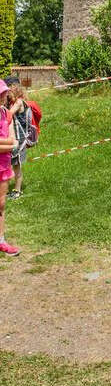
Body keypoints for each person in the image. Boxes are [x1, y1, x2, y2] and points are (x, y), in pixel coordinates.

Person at [0, 80, 20, 256]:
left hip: (3, 165)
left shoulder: (6, 114)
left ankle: (1, 241)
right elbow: (11, 143)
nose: (3, 95)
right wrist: (9, 143)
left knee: (1, 204)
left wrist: (7, 143)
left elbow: (14, 142)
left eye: (3, 92)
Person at [7, 84, 33, 199]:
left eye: (8, 93)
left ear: (15, 92)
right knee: (13, 165)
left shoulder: (18, 102)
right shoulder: (16, 102)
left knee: (17, 166)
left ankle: (17, 191)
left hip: (20, 139)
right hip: (16, 138)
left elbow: (8, 115)